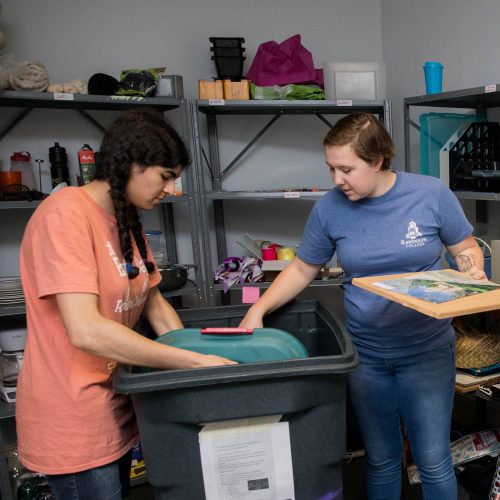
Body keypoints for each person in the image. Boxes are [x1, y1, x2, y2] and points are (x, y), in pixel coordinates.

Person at [240, 112, 486, 499]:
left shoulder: (430, 194)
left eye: (346, 169)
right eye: (331, 168)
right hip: (366, 355)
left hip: (426, 352)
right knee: (382, 459)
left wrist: (472, 270)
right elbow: (304, 267)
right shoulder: (330, 208)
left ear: (377, 160)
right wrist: (258, 310)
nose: (337, 180)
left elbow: (464, 247)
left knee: (433, 460)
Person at [17, 108, 236, 500]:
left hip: (116, 403)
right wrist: (193, 362)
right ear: (133, 163)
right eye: (165, 176)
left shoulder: (123, 217)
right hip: (74, 417)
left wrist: (201, 357)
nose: (171, 189)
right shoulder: (65, 215)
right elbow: (86, 330)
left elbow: (153, 302)